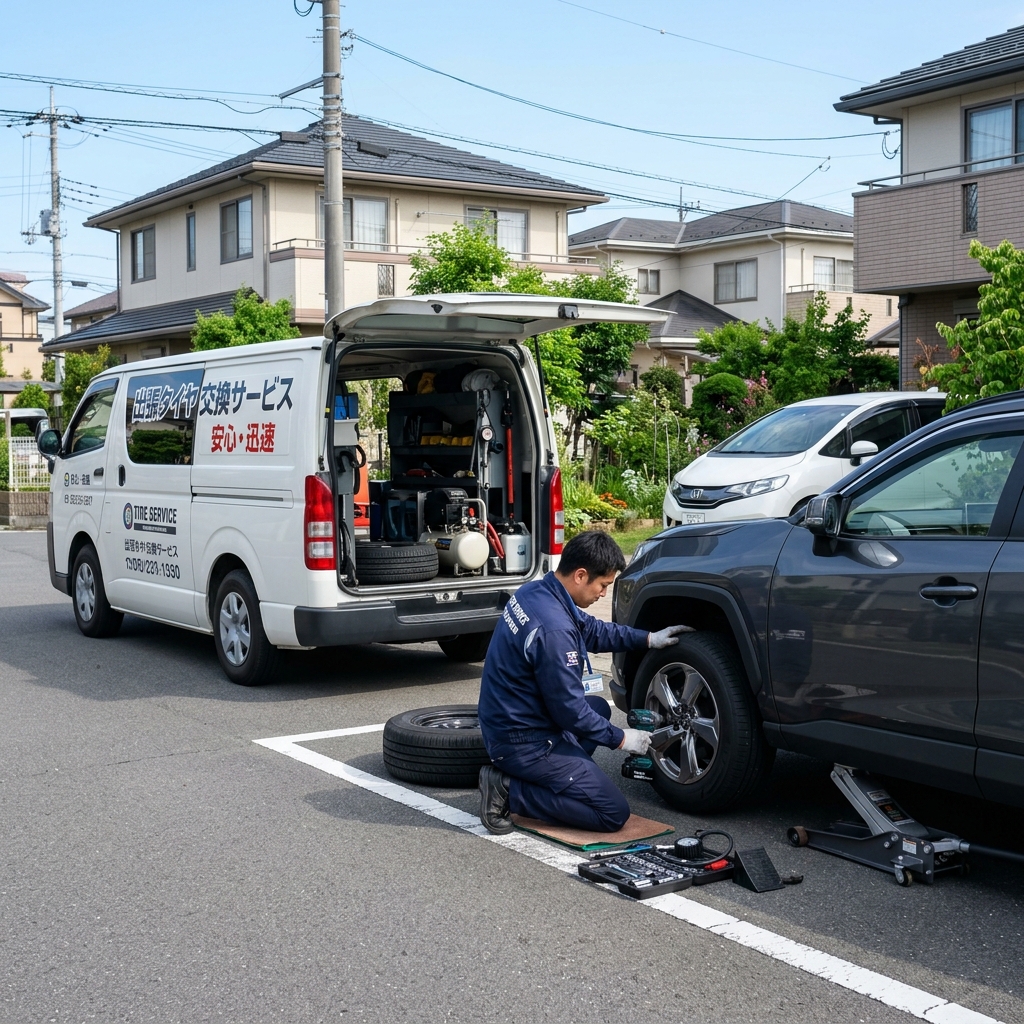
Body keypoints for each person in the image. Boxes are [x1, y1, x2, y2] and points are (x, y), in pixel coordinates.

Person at [476, 530, 690, 835]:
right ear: (580, 575)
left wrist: (648, 638)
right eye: (603, 585)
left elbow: (592, 630)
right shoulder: (553, 631)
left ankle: (561, 776)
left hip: (510, 721)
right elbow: (570, 712)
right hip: (524, 741)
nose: (603, 594)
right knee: (611, 812)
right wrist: (622, 739)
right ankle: (508, 788)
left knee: (599, 708)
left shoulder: (537, 593)